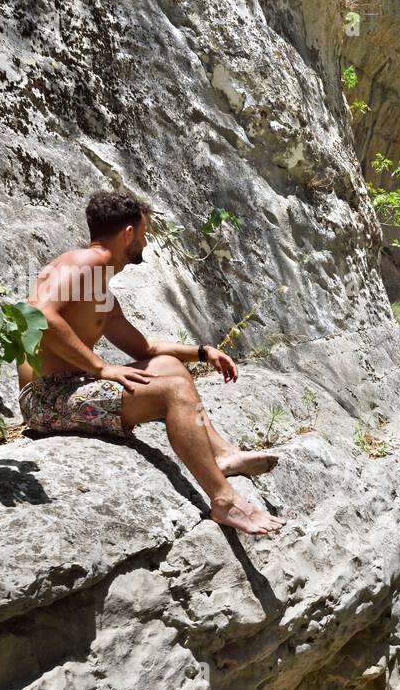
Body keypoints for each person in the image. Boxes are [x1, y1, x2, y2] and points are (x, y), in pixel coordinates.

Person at [17, 190, 284, 535]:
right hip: (45, 400)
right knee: (171, 391)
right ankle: (224, 501)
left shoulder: (100, 292)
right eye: (143, 234)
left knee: (170, 367)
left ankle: (222, 456)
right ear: (128, 233)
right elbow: (37, 314)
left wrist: (203, 353)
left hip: (71, 389)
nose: (144, 243)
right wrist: (101, 367)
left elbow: (146, 346)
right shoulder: (84, 262)